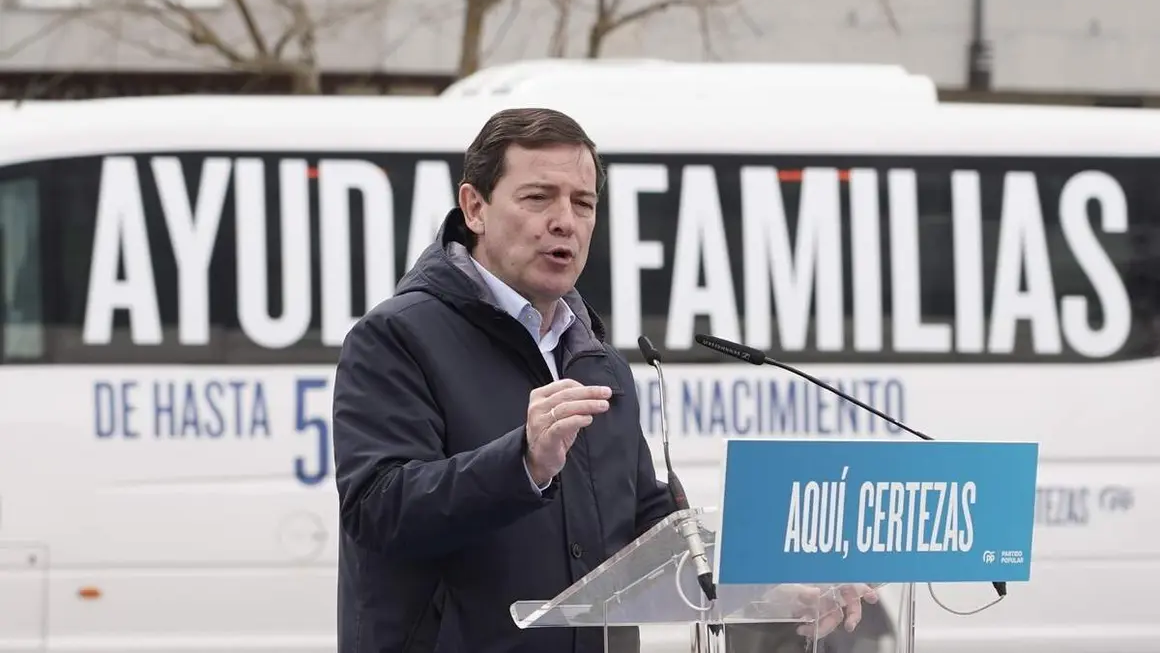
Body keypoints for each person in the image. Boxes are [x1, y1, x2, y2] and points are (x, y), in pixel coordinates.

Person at [331, 107, 878, 653]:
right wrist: (521, 463)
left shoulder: (597, 360)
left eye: (583, 203)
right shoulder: (396, 338)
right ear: (474, 207)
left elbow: (644, 526)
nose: (565, 220)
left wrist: (769, 584)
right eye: (538, 198)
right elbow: (377, 510)